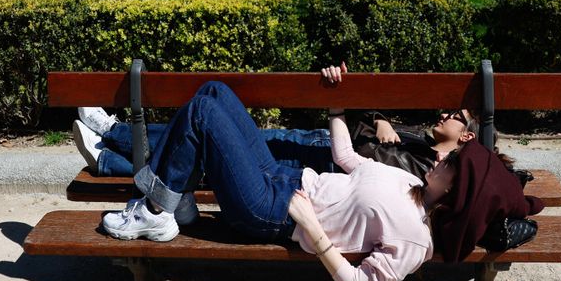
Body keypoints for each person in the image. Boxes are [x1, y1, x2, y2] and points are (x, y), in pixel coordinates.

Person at [98, 65, 539, 281]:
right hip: (286, 176)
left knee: (205, 113)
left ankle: (158, 209)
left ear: (457, 193)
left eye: (452, 167)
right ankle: (176, 199)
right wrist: (336, 104)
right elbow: (346, 156)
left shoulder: (415, 243)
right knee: (215, 92)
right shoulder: (409, 183)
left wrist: (311, 228)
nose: (442, 164)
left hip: (271, 212)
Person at [72, 79, 479, 181]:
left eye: (456, 115)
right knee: (211, 152)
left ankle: (114, 137)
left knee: (213, 158)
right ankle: (111, 151)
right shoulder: (420, 140)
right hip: (313, 143)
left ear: (467, 137)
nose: (446, 113)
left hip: (318, 163)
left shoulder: (431, 169)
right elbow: (365, 129)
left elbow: (353, 162)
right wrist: (379, 117)